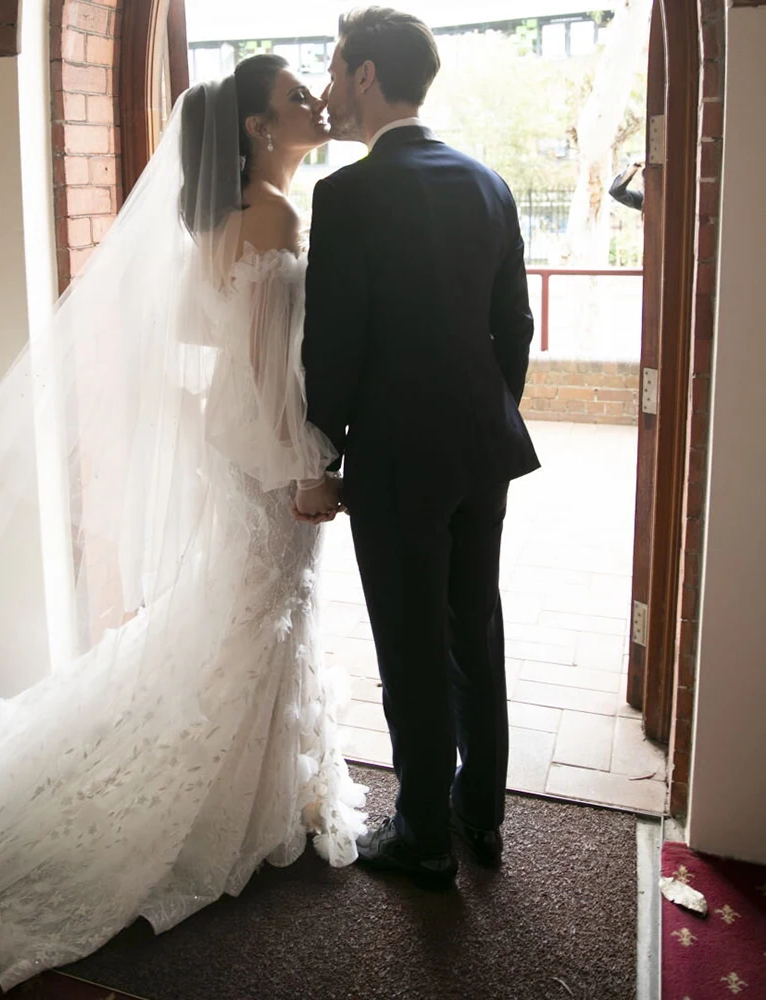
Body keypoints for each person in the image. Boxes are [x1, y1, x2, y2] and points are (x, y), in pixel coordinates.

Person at [0, 56, 364, 999]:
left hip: (234, 444)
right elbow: (260, 365)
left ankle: (269, 784)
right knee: (263, 614)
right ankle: (240, 799)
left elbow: (203, 340)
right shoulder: (277, 216)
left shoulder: (219, 220)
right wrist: (303, 474)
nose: (315, 103)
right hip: (265, 457)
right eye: (297, 95)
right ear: (255, 127)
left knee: (242, 617)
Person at [295, 7, 540, 887]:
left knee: (409, 643)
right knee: (475, 628)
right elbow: (515, 326)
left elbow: (334, 347)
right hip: (483, 448)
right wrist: (484, 409)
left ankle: (426, 836)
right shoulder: (489, 183)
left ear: (365, 75)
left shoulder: (347, 195)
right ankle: (484, 815)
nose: (326, 87)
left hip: (397, 456)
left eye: (332, 68)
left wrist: (328, 447)